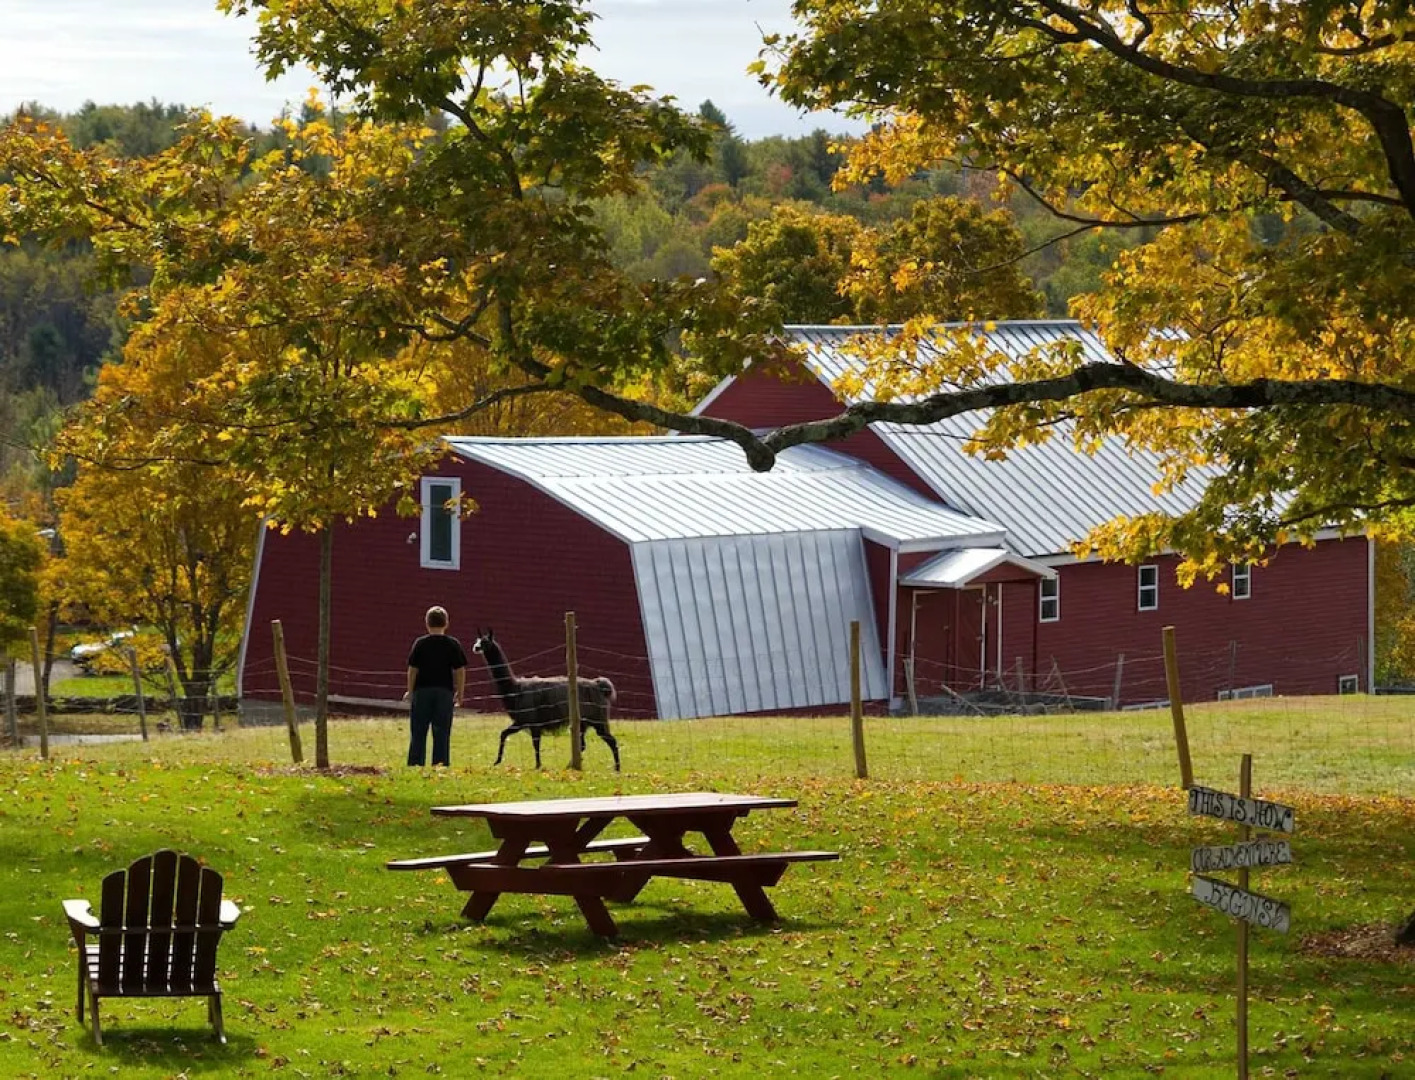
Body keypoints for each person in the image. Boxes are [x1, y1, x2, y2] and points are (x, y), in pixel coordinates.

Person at [403, 606, 467, 767]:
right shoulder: (452, 644)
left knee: (418, 731)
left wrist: (410, 691)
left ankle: (416, 763)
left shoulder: (420, 643)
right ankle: (440, 764)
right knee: (442, 732)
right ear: (446, 623)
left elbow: (412, 670)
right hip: (444, 692)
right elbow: (460, 670)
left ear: (427, 623)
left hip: (422, 692)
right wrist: (460, 693)